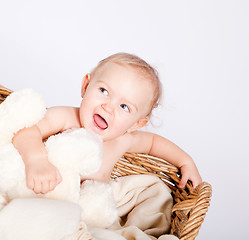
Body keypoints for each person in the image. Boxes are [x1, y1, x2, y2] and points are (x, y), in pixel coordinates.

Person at [12, 52, 202, 195]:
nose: (108, 107)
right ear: (86, 86)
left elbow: (153, 144)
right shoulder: (67, 117)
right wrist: (37, 161)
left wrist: (186, 161)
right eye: (104, 91)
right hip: (45, 194)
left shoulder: (123, 140)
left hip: (87, 211)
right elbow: (26, 130)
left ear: (136, 124)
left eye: (124, 107)